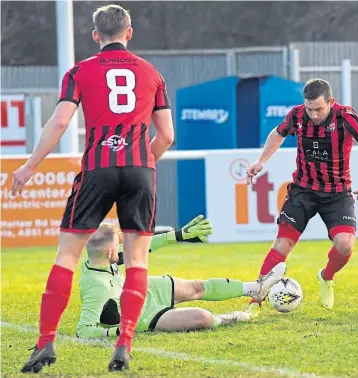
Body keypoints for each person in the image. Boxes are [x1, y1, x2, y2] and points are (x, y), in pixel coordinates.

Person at [15, 5, 173, 373]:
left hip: (97, 169)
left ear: (94, 35)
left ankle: (45, 343)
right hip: (139, 169)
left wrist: (29, 166)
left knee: (67, 256)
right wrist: (142, 162)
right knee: (137, 260)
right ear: (129, 32)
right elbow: (166, 135)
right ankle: (124, 344)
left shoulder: (79, 71)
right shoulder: (152, 73)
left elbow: (59, 122)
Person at [246, 78, 358, 313]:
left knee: (345, 245)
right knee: (282, 244)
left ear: (331, 102)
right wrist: (261, 161)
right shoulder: (297, 115)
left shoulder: (346, 116)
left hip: (337, 193)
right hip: (303, 191)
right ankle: (255, 301)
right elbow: (277, 134)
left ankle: (326, 276)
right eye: (310, 109)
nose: (313, 114)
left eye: (319, 109)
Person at [76, 217, 286, 338]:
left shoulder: (101, 258)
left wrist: (178, 235)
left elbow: (141, 247)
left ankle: (255, 288)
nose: (121, 247)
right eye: (116, 245)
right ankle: (233, 317)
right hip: (144, 315)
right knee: (202, 318)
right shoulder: (96, 287)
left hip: (145, 289)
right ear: (108, 253)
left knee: (197, 287)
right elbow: (84, 331)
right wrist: (118, 332)